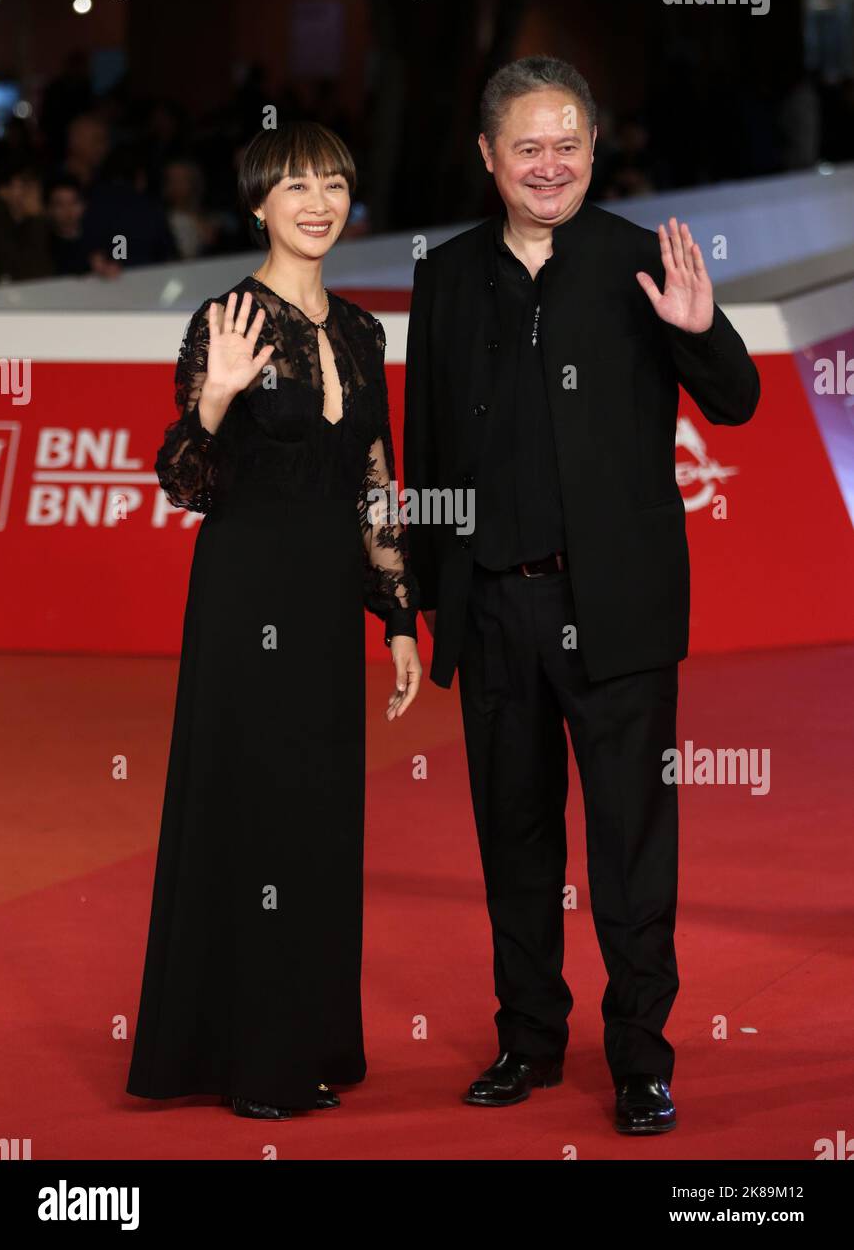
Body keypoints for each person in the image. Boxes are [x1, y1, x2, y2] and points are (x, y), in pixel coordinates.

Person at [402, 56, 760, 1134]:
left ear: (593, 148)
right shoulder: (448, 276)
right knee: (511, 840)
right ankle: (526, 1040)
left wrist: (698, 327)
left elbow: (735, 402)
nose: (547, 163)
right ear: (487, 156)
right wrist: (426, 605)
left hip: (616, 612)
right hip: (492, 609)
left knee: (630, 846)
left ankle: (640, 1060)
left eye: (566, 143)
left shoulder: (641, 262)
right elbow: (425, 451)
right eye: (525, 145)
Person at [126, 121, 422, 1120]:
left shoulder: (362, 329)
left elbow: (375, 480)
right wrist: (208, 399)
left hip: (329, 598)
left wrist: (395, 619)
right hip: (247, 592)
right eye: (294, 185)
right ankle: (252, 1060)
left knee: (319, 816)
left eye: (334, 184)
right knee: (252, 812)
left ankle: (314, 1039)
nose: (318, 201)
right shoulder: (225, 316)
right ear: (256, 203)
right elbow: (181, 483)